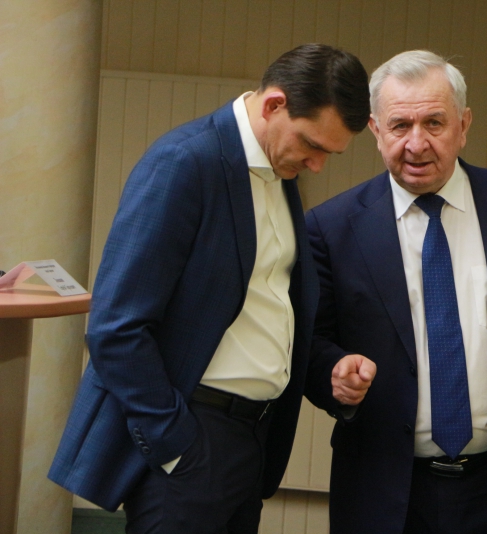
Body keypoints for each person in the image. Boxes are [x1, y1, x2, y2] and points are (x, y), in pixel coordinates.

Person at [48, 44, 371, 534]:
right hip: (191, 436)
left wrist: (329, 370)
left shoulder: (279, 172)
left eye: (330, 152)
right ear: (274, 105)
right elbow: (115, 327)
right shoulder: (185, 161)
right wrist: (174, 441)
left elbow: (267, 307)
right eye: (313, 145)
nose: (318, 165)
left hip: (253, 441)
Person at [304, 50, 487, 534]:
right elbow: (310, 346)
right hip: (386, 494)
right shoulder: (331, 228)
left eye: (434, 123)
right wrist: (333, 373)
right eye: (400, 126)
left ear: (464, 125)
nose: (417, 144)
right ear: (375, 130)